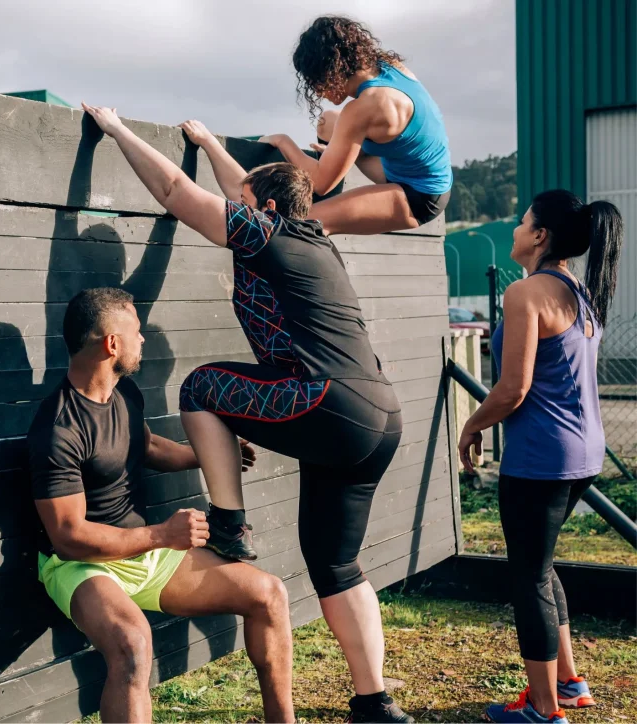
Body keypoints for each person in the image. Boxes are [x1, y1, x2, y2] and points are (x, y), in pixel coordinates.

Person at [83, 104, 411, 723]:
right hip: (378, 416)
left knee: (202, 387)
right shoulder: (312, 235)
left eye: (243, 199)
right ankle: (375, 703)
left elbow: (176, 191)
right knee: (336, 562)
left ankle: (229, 523)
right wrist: (208, 141)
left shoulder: (264, 232)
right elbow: (246, 186)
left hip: (327, 401)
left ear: (257, 209)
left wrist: (118, 129)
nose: (234, 204)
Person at [29, 287, 295, 724]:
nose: (143, 339)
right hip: (80, 566)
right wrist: (161, 536)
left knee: (269, 595)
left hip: (141, 551)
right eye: (136, 331)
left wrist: (212, 454)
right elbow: (69, 537)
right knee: (133, 643)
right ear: (111, 344)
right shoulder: (58, 428)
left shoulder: (124, 394)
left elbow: (148, 445)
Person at [458, 191, 623, 724]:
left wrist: (470, 424)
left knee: (528, 578)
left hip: (541, 459)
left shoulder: (526, 293)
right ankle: (569, 683)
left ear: (539, 236)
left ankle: (545, 712)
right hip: (583, 453)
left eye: (522, 222)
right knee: (541, 566)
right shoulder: (580, 288)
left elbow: (512, 388)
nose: (514, 230)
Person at [259, 15, 452, 236]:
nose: (318, 93)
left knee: (300, 225)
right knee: (327, 121)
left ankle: (323, 212)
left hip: (419, 196)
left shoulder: (365, 107)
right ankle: (329, 178)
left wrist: (282, 141)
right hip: (396, 167)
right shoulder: (388, 66)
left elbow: (321, 182)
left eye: (316, 82)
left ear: (331, 70)